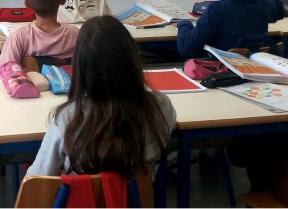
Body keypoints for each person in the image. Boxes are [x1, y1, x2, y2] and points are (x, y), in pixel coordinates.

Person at [26, 15, 176, 179]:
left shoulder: (68, 119)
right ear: (132, 58)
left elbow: (37, 179)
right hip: (134, 201)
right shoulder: (160, 107)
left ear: (80, 66)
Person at [0, 0, 79, 98]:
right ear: (63, 0)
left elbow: (5, 72)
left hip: (29, 103)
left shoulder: (19, 36)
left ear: (27, 4)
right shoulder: (75, 34)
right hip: (67, 98)